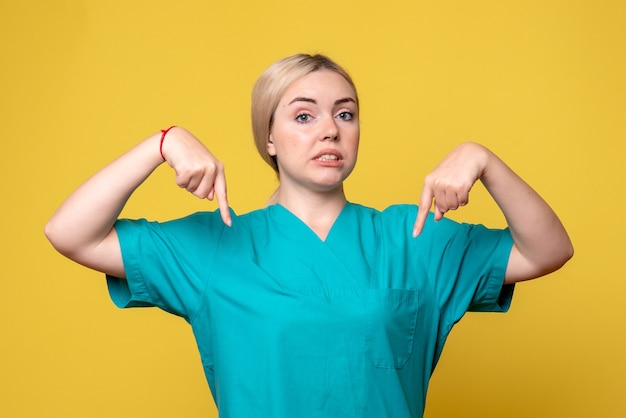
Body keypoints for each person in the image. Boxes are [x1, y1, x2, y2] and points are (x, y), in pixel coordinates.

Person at [45, 53, 573, 417]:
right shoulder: (216, 247)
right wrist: (162, 143)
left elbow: (548, 249)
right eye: (304, 115)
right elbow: (71, 233)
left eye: (346, 114)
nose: (330, 129)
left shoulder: (413, 237)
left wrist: (484, 160)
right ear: (268, 137)